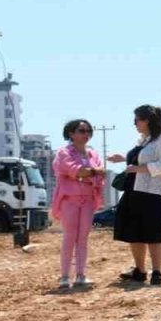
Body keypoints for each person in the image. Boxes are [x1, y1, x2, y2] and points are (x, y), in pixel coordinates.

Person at [107, 105, 161, 287]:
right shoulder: (144, 139)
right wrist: (122, 158)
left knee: (153, 232)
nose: (134, 123)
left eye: (137, 119)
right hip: (135, 190)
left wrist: (138, 169)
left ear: (148, 120)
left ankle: (157, 272)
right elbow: (140, 158)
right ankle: (140, 270)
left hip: (155, 193)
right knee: (134, 231)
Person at [51, 119, 106, 289]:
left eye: (88, 130)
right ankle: (65, 276)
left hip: (87, 199)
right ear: (71, 134)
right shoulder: (64, 153)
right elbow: (74, 170)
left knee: (83, 238)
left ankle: (81, 274)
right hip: (70, 199)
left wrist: (86, 174)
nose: (85, 134)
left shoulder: (93, 154)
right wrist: (90, 173)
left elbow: (100, 174)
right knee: (69, 237)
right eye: (81, 130)